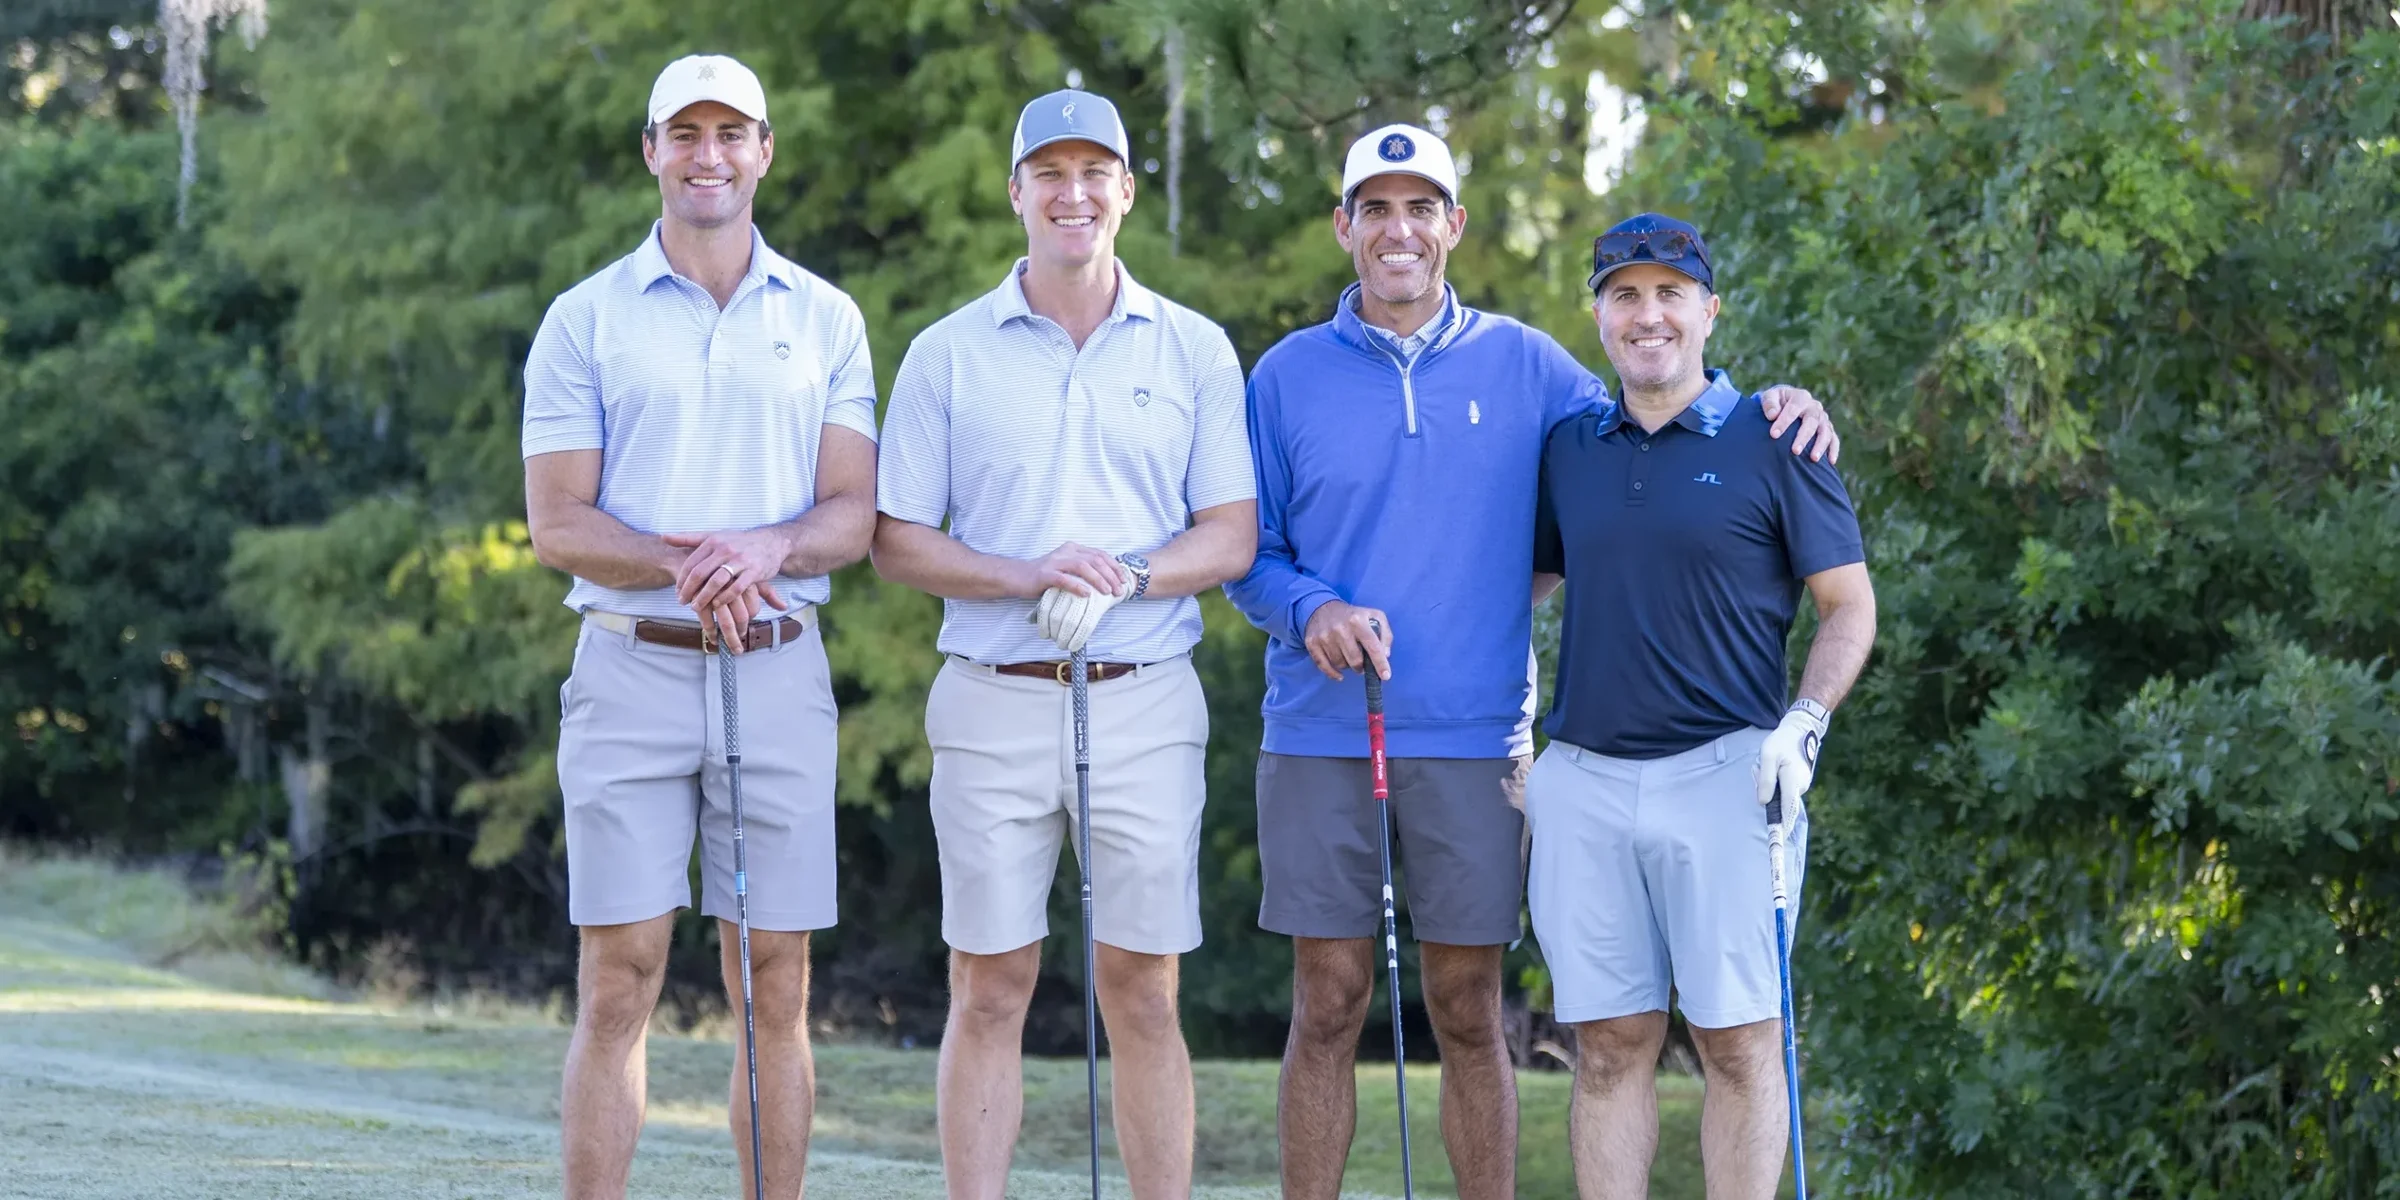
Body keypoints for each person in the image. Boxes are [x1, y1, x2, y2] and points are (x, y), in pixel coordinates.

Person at [1223, 129, 1840, 1200]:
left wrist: (1772, 403)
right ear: (1345, 228)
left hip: (1478, 743)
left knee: (1468, 1007)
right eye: (1376, 208)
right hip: (1325, 731)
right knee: (1326, 1001)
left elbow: (1654, 421)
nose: (1399, 229)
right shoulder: (1283, 378)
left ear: (1455, 226)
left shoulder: (1529, 366)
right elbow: (1246, 557)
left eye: (1423, 208)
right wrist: (1310, 605)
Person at [868, 89, 1258, 1200]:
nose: (1072, 193)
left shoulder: (1194, 348)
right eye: (1050, 172)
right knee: (991, 983)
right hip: (993, 693)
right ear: (1016, 193)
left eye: (1096, 172)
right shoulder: (948, 354)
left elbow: (1230, 535)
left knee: (1143, 987)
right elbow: (897, 540)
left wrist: (1127, 574)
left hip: (1144, 694)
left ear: (1127, 191)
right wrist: (1026, 576)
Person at [520, 53, 879, 1200]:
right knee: (619, 978)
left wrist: (763, 552)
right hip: (630, 671)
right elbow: (558, 522)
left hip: (775, 669)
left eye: (733, 133)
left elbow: (853, 511)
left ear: (766, 151)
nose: (709, 155)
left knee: (774, 978)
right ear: (652, 152)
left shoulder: (826, 316)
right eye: (687, 134)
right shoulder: (585, 320)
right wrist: (694, 563)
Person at [1528, 213, 1878, 1200]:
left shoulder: (1779, 439)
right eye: (1624, 295)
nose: (1648, 316)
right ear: (1597, 314)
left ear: (1708, 310)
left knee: (1738, 1043)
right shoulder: (1568, 448)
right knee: (1607, 1046)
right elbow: (1522, 589)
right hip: (1585, 783)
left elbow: (1849, 608)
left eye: (1669, 294)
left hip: (1731, 778)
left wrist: (1805, 725)